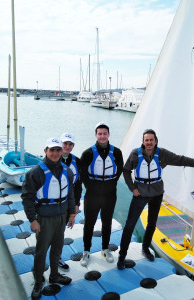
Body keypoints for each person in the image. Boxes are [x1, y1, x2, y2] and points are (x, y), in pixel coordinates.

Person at [117, 129, 194, 270]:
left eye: (151, 140)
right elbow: (126, 171)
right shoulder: (135, 154)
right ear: (143, 142)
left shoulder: (162, 154)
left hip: (157, 194)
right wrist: (132, 188)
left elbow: (181, 160)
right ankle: (122, 256)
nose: (149, 142)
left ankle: (145, 248)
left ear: (155, 141)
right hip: (140, 194)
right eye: (146, 140)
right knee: (129, 225)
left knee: (152, 224)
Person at [21, 137, 75, 300]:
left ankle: (54, 275)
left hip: (61, 216)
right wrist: (33, 219)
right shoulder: (35, 173)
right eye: (52, 150)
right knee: (41, 251)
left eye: (58, 150)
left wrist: (71, 214)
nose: (55, 153)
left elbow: (70, 194)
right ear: (45, 151)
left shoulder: (68, 171)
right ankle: (38, 280)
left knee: (57, 248)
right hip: (44, 218)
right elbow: (27, 197)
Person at [79, 122, 123, 266]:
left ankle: (105, 248)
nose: (102, 136)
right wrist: (93, 187)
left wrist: (109, 184)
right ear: (96, 135)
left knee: (107, 221)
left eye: (105, 133)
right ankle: (86, 251)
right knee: (89, 223)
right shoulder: (88, 153)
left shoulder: (116, 152)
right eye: (100, 134)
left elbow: (119, 170)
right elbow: (83, 174)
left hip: (110, 193)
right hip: (92, 193)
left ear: (108, 135)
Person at [57, 132, 82, 271]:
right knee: (47, 232)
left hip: (68, 201)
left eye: (70, 144)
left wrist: (76, 204)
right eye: (65, 143)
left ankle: (57, 257)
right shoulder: (52, 157)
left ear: (73, 146)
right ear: (61, 143)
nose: (67, 146)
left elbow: (78, 184)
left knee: (61, 231)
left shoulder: (77, 161)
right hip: (52, 202)